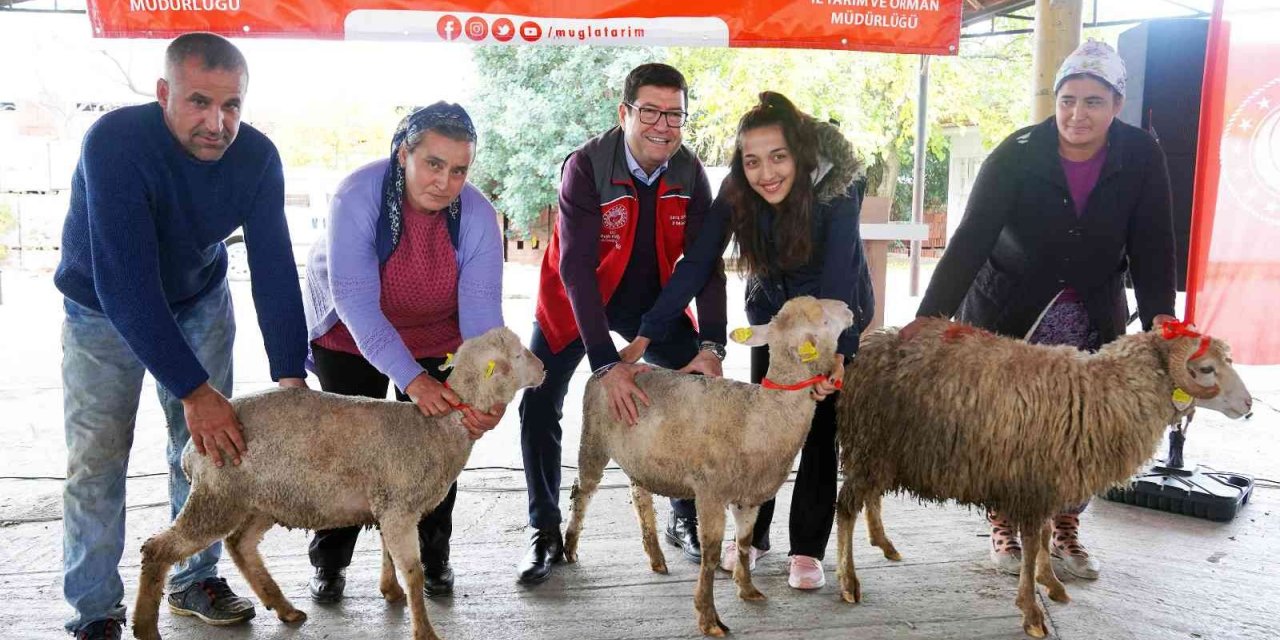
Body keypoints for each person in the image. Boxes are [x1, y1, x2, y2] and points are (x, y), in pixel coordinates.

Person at [53, 33, 309, 640]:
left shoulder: (257, 158)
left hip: (198, 299)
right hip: (102, 308)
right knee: (97, 458)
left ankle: (195, 578)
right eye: (199, 102)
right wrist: (196, 391)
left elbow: (274, 264)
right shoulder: (115, 144)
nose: (217, 123)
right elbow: (125, 285)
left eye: (232, 106)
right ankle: (95, 610)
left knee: (206, 452)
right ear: (164, 93)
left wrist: (291, 376)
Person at [905, 40, 1176, 580]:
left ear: (1116, 105)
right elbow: (970, 239)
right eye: (1068, 99)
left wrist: (1160, 321)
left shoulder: (1141, 156)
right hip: (1011, 309)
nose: (1078, 114)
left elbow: (1153, 245)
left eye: (1094, 102)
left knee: (1085, 427)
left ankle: (1065, 526)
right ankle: (1005, 519)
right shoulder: (1018, 150)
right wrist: (930, 318)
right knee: (1011, 424)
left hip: (1091, 313)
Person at [621, 91, 873, 591]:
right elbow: (696, 264)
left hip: (830, 318)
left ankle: (807, 548)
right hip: (774, 321)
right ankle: (753, 538)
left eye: (778, 157)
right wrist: (645, 332)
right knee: (765, 424)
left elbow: (842, 272)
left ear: (800, 154)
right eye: (752, 161)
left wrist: (837, 354)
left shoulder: (839, 189)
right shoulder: (738, 190)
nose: (766, 173)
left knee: (819, 426)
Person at [516, 63, 727, 585]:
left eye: (675, 114)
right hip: (577, 298)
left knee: (695, 391)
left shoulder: (690, 170)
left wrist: (711, 345)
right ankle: (543, 529)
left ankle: (684, 515)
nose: (663, 126)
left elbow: (705, 264)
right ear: (625, 112)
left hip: (648, 302)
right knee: (540, 401)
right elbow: (575, 268)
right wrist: (605, 361)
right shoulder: (586, 166)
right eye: (650, 111)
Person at [302, 102, 506, 602]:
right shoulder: (357, 194)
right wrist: (412, 380)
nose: (445, 181)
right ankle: (331, 561)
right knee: (348, 454)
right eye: (433, 164)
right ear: (402, 155)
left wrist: (492, 394)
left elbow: (483, 326)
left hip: (438, 333)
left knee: (439, 446)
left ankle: (432, 558)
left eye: (459, 169)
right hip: (351, 332)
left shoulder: (477, 214)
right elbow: (354, 300)